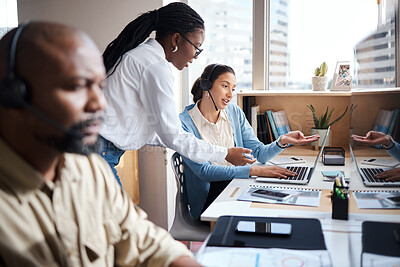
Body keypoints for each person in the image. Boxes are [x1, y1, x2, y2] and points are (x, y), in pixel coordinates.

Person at [0, 21, 201, 266]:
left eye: (99, 86)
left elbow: (142, 238)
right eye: (78, 86)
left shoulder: (90, 169)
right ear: (14, 96)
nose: (99, 104)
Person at [99, 2, 254, 186]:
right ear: (176, 40)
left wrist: (192, 144)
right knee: (117, 213)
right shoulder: (155, 66)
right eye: (196, 47)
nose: (196, 56)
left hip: (99, 148)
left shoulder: (145, 57)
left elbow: (155, 130)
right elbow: (171, 134)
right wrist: (225, 153)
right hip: (97, 151)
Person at [179, 64, 320, 219]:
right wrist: (253, 171)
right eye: (225, 86)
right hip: (210, 198)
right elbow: (204, 172)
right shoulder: (185, 123)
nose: (229, 94)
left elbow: (259, 153)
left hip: (238, 183)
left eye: (232, 88)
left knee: (283, 204)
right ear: (206, 85)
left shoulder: (234, 112)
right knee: (262, 213)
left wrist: (282, 141)